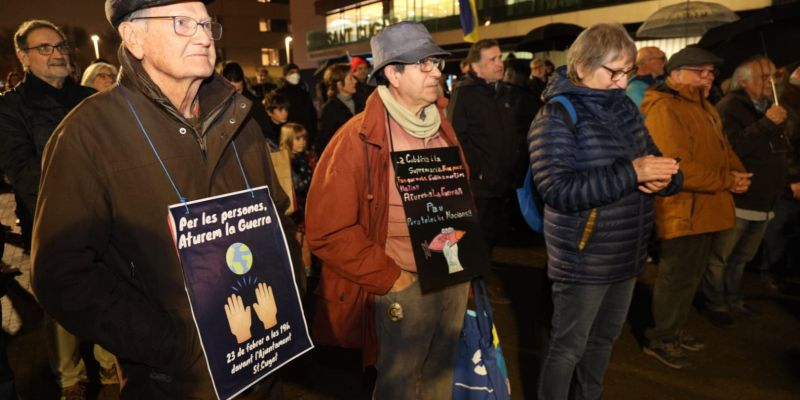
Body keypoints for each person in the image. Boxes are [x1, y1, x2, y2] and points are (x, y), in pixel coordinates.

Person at [30, 1, 298, 397]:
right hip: (177, 383)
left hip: (265, 361)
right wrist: (176, 344)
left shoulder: (240, 120)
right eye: (182, 23)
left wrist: (292, 301)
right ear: (134, 38)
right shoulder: (87, 135)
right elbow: (61, 275)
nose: (205, 36)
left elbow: (277, 215)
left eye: (207, 24)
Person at [305, 21, 469, 399]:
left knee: (439, 380)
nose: (436, 72)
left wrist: (466, 269)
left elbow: (459, 201)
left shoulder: (442, 127)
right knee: (399, 386)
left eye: (437, 64)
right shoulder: (359, 136)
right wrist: (391, 278)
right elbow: (326, 231)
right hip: (403, 285)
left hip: (450, 276)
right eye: (423, 64)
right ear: (393, 74)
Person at [529, 24, 682, 400]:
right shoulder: (556, 115)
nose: (621, 82)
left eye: (627, 72)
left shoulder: (624, 107)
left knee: (604, 342)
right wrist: (632, 173)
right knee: (567, 348)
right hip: (584, 256)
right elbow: (557, 190)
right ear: (580, 68)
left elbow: (653, 158)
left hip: (627, 251)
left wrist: (667, 178)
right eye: (613, 72)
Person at [0, 19, 120, 399]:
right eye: (44, 48)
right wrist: (85, 184)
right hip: (49, 218)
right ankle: (70, 377)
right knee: (59, 298)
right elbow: (22, 169)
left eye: (61, 46)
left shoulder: (91, 98)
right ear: (23, 56)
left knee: (107, 287)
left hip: (105, 214)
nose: (57, 54)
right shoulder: (10, 108)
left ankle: (108, 359)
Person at [640, 46, 751, 369]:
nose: (708, 77)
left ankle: (672, 329)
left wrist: (737, 171)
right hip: (683, 208)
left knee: (690, 277)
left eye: (711, 72)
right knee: (676, 277)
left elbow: (722, 148)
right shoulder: (664, 107)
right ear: (675, 75)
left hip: (706, 206)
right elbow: (676, 165)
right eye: (699, 71)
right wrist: (726, 179)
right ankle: (660, 337)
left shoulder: (705, 106)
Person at [701, 56, 789, 324]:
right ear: (743, 81)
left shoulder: (772, 106)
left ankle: (733, 298)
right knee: (720, 257)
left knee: (742, 258)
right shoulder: (729, 108)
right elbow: (729, 148)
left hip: (764, 198)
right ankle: (714, 303)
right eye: (764, 77)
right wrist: (766, 125)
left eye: (773, 76)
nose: (771, 82)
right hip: (739, 197)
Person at [761, 66, 800, 289]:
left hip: (792, 176)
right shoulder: (789, 103)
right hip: (790, 180)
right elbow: (787, 145)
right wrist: (793, 178)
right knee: (782, 226)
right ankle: (772, 272)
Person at [279, 122, 315, 271]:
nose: (302, 142)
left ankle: (308, 269)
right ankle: (301, 271)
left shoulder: (307, 157)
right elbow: (299, 185)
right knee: (298, 239)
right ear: (288, 140)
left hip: (308, 204)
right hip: (295, 207)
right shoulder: (285, 160)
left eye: (303, 139)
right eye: (297, 139)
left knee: (308, 239)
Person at [221, 61, 273, 142]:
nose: (234, 94)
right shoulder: (216, 103)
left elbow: (267, 132)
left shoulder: (253, 104)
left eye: (238, 90)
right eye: (230, 90)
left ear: (243, 84)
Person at [317, 63, 357, 156]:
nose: (355, 81)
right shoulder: (330, 110)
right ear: (339, 84)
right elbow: (325, 143)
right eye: (351, 78)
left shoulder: (361, 100)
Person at [277, 63, 317, 143]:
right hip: (288, 136)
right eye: (292, 72)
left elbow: (311, 115)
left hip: (304, 136)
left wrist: (312, 137)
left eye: (297, 72)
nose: (295, 75)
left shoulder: (304, 93)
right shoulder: (279, 94)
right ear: (285, 75)